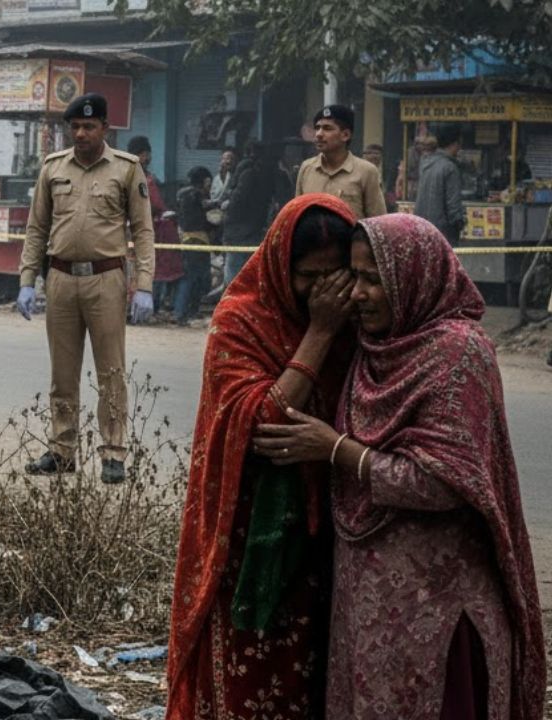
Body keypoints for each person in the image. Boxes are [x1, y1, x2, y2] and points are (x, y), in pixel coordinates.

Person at [252, 214, 546, 720]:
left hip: (439, 604)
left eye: (373, 279)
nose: (358, 295)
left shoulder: (459, 354)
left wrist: (337, 449)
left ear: (414, 276)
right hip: (368, 606)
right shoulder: (372, 349)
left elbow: (442, 482)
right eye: (355, 277)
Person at [165, 194, 359, 720]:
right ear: (280, 264)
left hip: (334, 531)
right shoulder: (240, 319)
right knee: (250, 674)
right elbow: (264, 425)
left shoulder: (358, 320)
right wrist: (319, 334)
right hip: (248, 532)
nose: (322, 290)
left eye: (334, 274)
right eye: (308, 275)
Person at [16, 93, 155, 484]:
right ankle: (62, 450)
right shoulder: (52, 168)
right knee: (63, 372)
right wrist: (27, 279)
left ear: (105, 128)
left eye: (89, 127)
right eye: (75, 127)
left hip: (106, 278)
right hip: (60, 278)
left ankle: (113, 453)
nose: (80, 133)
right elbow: (36, 228)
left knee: (111, 370)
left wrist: (143, 284)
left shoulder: (126, 169)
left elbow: (143, 231)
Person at [296, 104, 387, 219]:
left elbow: (378, 222)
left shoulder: (366, 172)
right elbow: (296, 216)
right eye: (317, 128)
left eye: (327, 128)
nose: (318, 134)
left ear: (345, 135)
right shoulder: (307, 168)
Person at [128, 135, 180, 319]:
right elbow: (153, 204)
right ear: (140, 155)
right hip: (143, 231)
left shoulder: (131, 174)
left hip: (136, 231)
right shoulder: (141, 177)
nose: (148, 158)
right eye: (145, 154)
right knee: (145, 270)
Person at [220, 141, 276, 283]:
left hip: (239, 231)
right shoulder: (266, 172)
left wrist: (227, 208)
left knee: (235, 274)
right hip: (254, 228)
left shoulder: (246, 172)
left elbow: (237, 199)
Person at [172, 166, 214, 325]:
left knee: (190, 277)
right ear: (202, 180)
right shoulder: (196, 194)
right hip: (198, 241)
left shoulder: (181, 194)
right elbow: (206, 212)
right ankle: (184, 312)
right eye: (207, 181)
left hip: (187, 239)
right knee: (195, 278)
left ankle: (183, 312)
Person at [415, 124, 466, 244]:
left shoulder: (425, 163)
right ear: (456, 143)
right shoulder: (450, 168)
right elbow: (453, 207)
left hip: (422, 229)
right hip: (443, 234)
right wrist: (460, 225)